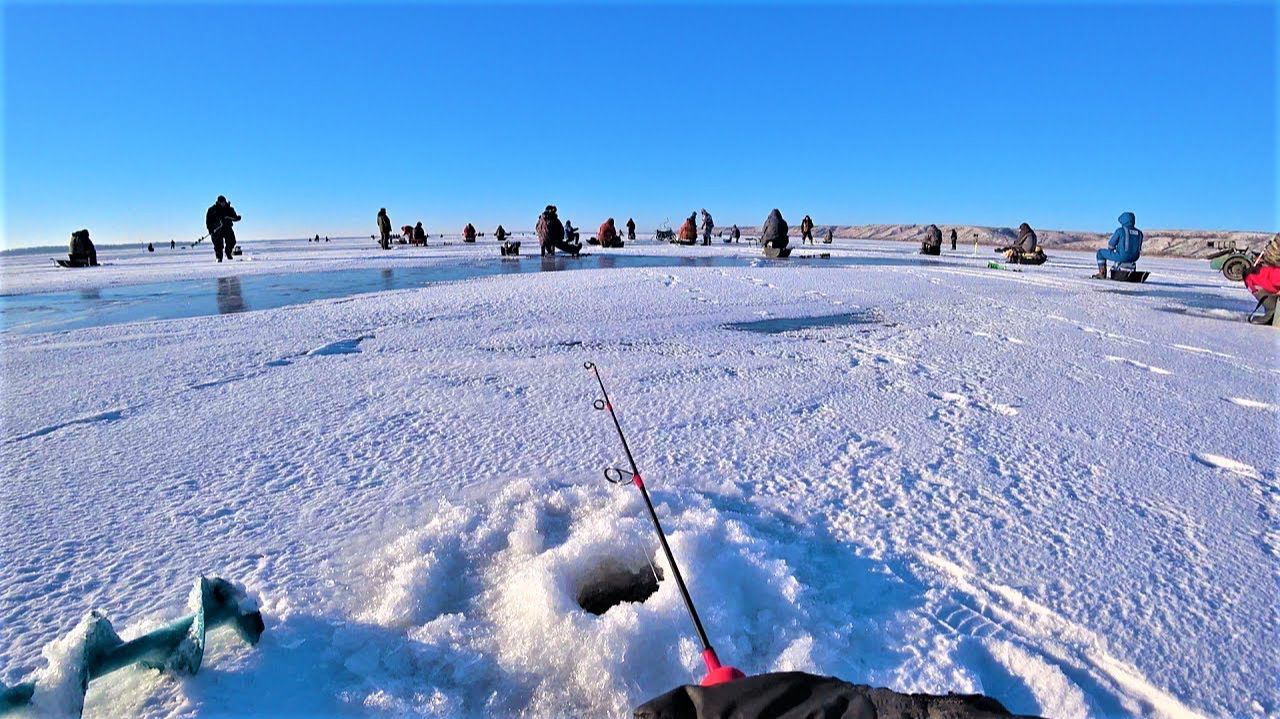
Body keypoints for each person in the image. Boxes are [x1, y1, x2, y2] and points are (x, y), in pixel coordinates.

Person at [1243, 233, 1280, 325]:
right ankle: (1265, 319)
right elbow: (1276, 280)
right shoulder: (1276, 270)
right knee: (1273, 310)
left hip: (1266, 279)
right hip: (1255, 283)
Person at [1093, 212, 1143, 278]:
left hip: (1122, 256)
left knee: (1100, 253)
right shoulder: (1139, 233)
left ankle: (1102, 273)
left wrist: (1111, 251)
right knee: (1124, 256)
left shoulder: (1120, 231)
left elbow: (1111, 244)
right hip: (1135, 258)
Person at [205, 195, 242, 262]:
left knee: (232, 241)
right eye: (221, 202)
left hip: (227, 228)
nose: (222, 203)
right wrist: (210, 229)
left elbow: (234, 217)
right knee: (218, 245)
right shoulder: (212, 210)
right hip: (216, 230)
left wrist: (237, 218)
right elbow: (208, 221)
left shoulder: (229, 209)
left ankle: (228, 252)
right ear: (218, 202)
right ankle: (219, 258)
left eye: (223, 202)